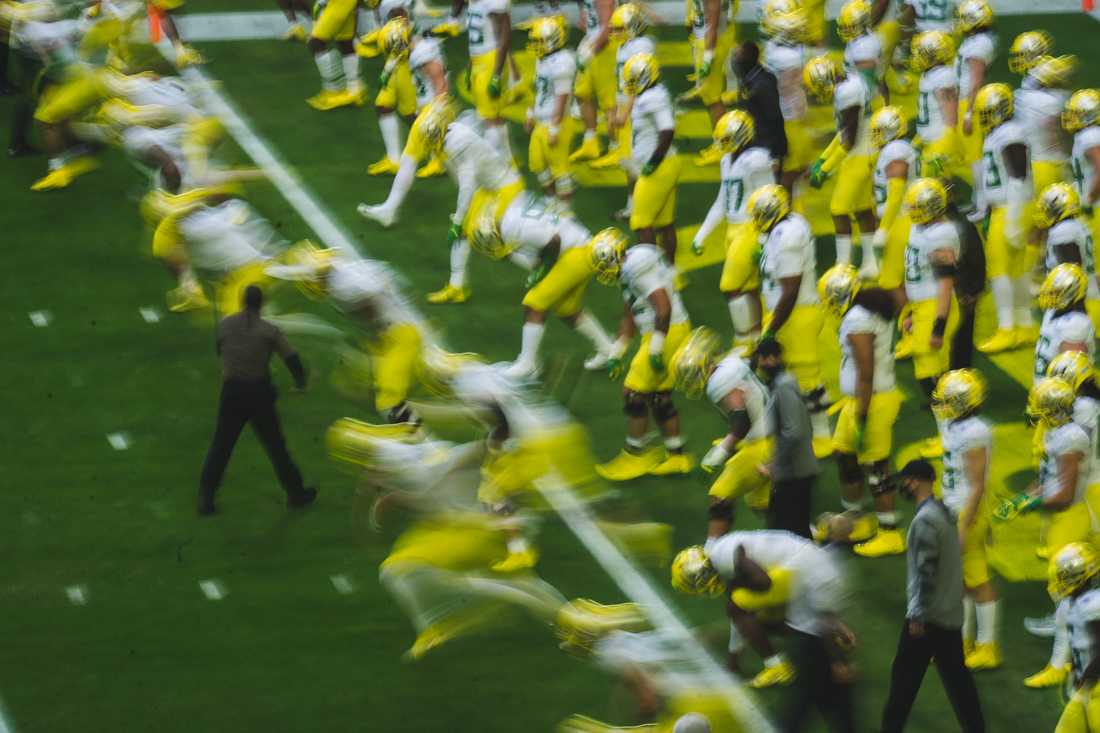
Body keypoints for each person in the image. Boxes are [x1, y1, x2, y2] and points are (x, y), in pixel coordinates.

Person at [671, 530, 855, 719]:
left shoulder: (725, 556)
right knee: (759, 616)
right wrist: (733, 659)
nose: (700, 586)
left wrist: (733, 661)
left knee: (740, 606)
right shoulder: (721, 555)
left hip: (804, 569)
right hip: (809, 565)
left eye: (696, 580)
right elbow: (741, 616)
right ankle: (831, 639)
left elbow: (762, 582)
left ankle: (778, 667)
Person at [880, 459, 985, 733]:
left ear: (915, 481)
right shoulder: (945, 513)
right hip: (948, 613)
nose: (903, 485)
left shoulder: (925, 520)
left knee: (904, 678)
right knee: (958, 679)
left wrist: (918, 614)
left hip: (928, 617)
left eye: (906, 480)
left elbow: (926, 572)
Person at [198, 285, 316, 516]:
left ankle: (206, 498)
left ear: (242, 301)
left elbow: (219, 348)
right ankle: (296, 493)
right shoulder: (269, 330)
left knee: (221, 446)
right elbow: (291, 356)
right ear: (261, 304)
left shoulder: (225, 324)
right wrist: (300, 381)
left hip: (231, 392)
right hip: (258, 393)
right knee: (276, 447)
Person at [817, 265, 904, 557]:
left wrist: (863, 414)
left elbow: (865, 371)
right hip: (862, 399)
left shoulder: (857, 319)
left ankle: (890, 533)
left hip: (872, 400)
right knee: (844, 454)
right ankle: (854, 517)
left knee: (876, 468)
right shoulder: (871, 306)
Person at [593, 233, 694, 480]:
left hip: (667, 331)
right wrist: (617, 352)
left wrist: (657, 347)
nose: (604, 270)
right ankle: (677, 456)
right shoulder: (629, 269)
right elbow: (630, 313)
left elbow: (663, 307)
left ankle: (634, 456)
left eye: (605, 264)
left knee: (633, 394)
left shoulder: (636, 269)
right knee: (659, 397)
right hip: (668, 330)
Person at [931, 370, 1000, 669]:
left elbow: (976, 484)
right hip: (952, 506)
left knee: (977, 579)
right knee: (959, 580)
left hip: (965, 511)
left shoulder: (974, 432)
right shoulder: (956, 424)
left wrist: (964, 525)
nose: (943, 404)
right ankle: (961, 641)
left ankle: (987, 646)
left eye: (949, 399)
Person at [670, 327, 773, 530]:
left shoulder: (718, 382)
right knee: (764, 505)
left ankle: (713, 551)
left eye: (688, 373)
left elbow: (742, 421)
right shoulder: (730, 363)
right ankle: (804, 538)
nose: (688, 379)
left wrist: (720, 452)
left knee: (720, 496)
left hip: (762, 446)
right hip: (776, 435)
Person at [691, 110, 774, 346]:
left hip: (750, 227)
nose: (723, 144)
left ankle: (743, 340)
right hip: (732, 229)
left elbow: (769, 202)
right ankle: (758, 337)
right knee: (748, 288)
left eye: (727, 139)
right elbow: (722, 200)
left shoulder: (756, 160)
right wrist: (702, 234)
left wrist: (763, 240)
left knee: (730, 286)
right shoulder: (727, 159)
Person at [972, 82, 1035, 353]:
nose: (983, 118)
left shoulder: (1009, 134)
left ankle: (1007, 328)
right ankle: (1024, 325)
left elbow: (1018, 176)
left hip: (1011, 207)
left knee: (999, 272)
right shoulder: (1003, 132)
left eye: (987, 111)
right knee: (1016, 270)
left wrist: (1012, 220)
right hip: (1009, 206)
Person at [803, 55, 878, 272]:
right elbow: (843, 132)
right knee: (863, 209)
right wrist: (822, 159)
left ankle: (842, 264)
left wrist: (825, 170)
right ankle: (870, 262)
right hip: (865, 151)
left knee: (838, 209)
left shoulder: (847, 93)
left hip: (860, 155)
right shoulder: (850, 83)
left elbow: (849, 139)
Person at [756, 338, 818, 538]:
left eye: (765, 358)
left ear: (775, 358)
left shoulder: (783, 387)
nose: (762, 364)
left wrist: (776, 464)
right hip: (796, 469)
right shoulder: (784, 384)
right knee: (792, 529)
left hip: (794, 472)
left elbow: (794, 431)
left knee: (789, 531)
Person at [1046, 543, 1100, 730]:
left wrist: (1087, 675)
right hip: (1086, 688)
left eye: (1063, 575)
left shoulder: (1093, 605)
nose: (1059, 580)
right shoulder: (1073, 604)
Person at [730, 41, 787, 164]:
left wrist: (776, 154)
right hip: (751, 144)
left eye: (738, 56)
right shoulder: (749, 79)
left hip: (763, 150)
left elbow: (774, 119)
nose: (734, 60)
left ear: (746, 61)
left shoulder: (762, 84)